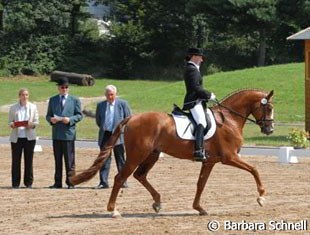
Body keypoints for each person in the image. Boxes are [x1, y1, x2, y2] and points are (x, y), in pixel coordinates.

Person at [46, 77, 83, 189]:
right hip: (57, 133)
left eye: (66, 87)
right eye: (62, 87)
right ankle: (58, 182)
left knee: (69, 160)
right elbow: (48, 115)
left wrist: (70, 119)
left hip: (68, 133)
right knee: (58, 160)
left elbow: (79, 115)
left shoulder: (74, 100)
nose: (64, 89)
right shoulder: (53, 100)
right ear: (58, 88)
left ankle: (71, 182)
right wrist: (51, 120)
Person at [182, 47, 216, 162]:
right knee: (201, 121)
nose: (202, 60)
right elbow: (196, 88)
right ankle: (198, 150)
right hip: (193, 102)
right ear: (195, 56)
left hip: (198, 101)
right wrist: (208, 95)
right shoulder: (191, 69)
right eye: (200, 57)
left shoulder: (194, 68)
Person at [95, 85, 131, 189]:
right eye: (108, 94)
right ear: (105, 95)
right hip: (105, 134)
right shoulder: (100, 105)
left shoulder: (122, 104)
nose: (110, 97)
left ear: (115, 94)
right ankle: (103, 182)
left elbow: (128, 119)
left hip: (118, 135)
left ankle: (123, 181)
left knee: (120, 158)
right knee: (104, 159)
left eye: (111, 94)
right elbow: (98, 120)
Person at [8, 88, 39, 188]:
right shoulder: (13, 108)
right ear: (19, 96)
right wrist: (12, 124)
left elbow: (36, 122)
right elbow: (10, 121)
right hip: (17, 137)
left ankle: (28, 183)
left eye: (26, 95)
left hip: (29, 137)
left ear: (28, 96)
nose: (24, 97)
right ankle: (15, 183)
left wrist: (31, 124)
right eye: (22, 95)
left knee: (29, 160)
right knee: (16, 161)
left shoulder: (33, 107)